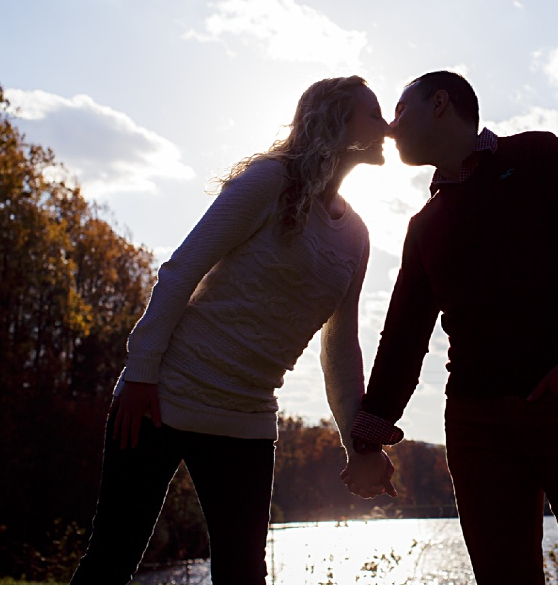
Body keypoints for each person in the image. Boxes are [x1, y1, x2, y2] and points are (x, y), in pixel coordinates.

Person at [71, 76, 397, 585]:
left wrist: (356, 443)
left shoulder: (356, 236)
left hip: (247, 419)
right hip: (162, 398)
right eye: (374, 113)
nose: (388, 126)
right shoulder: (270, 182)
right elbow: (182, 269)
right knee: (111, 559)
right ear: (334, 120)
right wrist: (140, 374)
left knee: (243, 576)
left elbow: (340, 347)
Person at [347, 71, 558, 584]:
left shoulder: (539, 158)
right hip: (477, 427)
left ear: (440, 103)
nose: (390, 130)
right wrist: (369, 439)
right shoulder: (425, 224)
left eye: (400, 111)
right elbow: (404, 335)